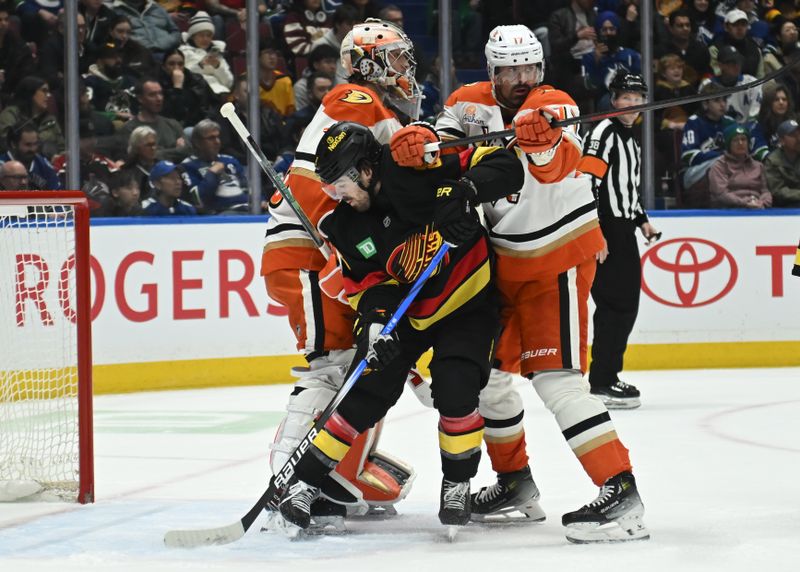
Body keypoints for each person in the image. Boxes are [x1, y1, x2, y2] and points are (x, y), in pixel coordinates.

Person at [391, 27, 650, 543]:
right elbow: (443, 151)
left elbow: (562, 164)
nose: (519, 80)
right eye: (508, 71)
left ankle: (620, 492)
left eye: (527, 69)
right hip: (496, 267)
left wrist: (544, 143)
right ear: (491, 72)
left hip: (552, 261)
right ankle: (515, 483)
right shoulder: (467, 105)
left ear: (540, 70)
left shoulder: (554, 103)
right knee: (487, 378)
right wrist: (420, 146)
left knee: (557, 381)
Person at [276, 120, 524, 532]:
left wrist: (464, 190)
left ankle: (457, 482)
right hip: (405, 315)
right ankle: (305, 482)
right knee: (364, 390)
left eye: (340, 183)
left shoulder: (416, 164)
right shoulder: (346, 226)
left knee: (456, 385)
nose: (336, 195)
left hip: (467, 303)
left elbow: (504, 164)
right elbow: (369, 287)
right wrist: (375, 326)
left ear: (366, 171)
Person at [261, 19, 426, 528]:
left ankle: (340, 464)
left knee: (364, 361)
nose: (405, 70)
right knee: (332, 365)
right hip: (308, 252)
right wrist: (345, 242)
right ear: (370, 64)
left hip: (327, 251)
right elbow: (312, 182)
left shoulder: (383, 114)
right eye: (395, 59)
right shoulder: (355, 99)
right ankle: (290, 475)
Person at [579, 72, 658, 409]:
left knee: (624, 305)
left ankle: (607, 376)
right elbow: (588, 184)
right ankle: (603, 380)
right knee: (616, 306)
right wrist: (595, 231)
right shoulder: (604, 132)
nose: (632, 103)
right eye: (625, 96)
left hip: (623, 228)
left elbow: (627, 189)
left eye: (637, 97)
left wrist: (642, 221)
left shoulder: (631, 139)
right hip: (606, 229)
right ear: (614, 100)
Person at [680, 82, 736, 207]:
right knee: (721, 162)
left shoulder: (730, 122)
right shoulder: (694, 122)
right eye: (717, 100)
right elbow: (688, 156)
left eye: (724, 100)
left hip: (726, 170)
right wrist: (719, 156)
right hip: (694, 172)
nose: (722, 104)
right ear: (705, 104)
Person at [180, 119, 248, 213]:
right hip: (222, 214)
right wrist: (212, 173)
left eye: (218, 137)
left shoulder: (230, 160)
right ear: (197, 142)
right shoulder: (187, 166)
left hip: (248, 209)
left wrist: (261, 201)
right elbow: (199, 200)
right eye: (211, 138)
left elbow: (247, 187)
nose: (217, 141)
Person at [581, 10, 642, 110]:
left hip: (632, 98)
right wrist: (596, 62)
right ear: (598, 32)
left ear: (617, 31)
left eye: (611, 29)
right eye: (604, 30)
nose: (608, 33)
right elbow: (589, 87)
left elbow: (640, 82)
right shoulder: (589, 57)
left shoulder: (631, 55)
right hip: (605, 102)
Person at [118, 78, 187, 162]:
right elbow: (140, 158)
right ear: (140, 98)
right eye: (152, 95)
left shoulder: (172, 123)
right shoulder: (130, 129)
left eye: (160, 93)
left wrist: (158, 152)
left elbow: (188, 150)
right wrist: (177, 150)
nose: (159, 98)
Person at [708, 123, 772, 208]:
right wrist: (745, 203)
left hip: (758, 208)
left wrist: (762, 203)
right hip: (730, 211)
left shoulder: (758, 165)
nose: (740, 143)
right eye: (735, 140)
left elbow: (765, 191)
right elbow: (721, 194)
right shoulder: (719, 166)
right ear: (728, 144)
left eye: (744, 139)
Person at [0, 76, 64, 158]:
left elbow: (62, 147)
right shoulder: (10, 114)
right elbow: (6, 142)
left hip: (48, 165)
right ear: (30, 92)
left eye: (48, 92)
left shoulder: (50, 120)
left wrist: (60, 157)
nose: (48, 96)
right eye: (44, 91)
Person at [178, 10, 234, 95]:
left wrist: (218, 67)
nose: (205, 39)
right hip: (197, 93)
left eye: (208, 35)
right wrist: (200, 65)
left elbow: (229, 83)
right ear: (193, 36)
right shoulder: (183, 52)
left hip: (220, 93)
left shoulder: (217, 53)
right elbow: (182, 78)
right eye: (201, 35)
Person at [0, 123, 60, 191]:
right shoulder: (2, 165)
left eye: (35, 144)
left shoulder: (43, 165)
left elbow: (57, 193)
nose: (33, 149)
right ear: (13, 144)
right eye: (28, 145)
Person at [109, 0, 181, 56]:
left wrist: (164, 44)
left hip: (170, 52)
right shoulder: (114, 11)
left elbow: (175, 31)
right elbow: (112, 39)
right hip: (138, 56)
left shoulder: (156, 8)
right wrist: (148, 47)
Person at [310, 3, 357, 85]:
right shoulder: (320, 45)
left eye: (356, 25)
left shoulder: (356, 45)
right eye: (349, 24)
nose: (354, 29)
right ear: (338, 25)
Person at [710, 8, 764, 78]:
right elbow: (717, 75)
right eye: (735, 24)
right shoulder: (715, 49)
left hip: (753, 87)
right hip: (726, 87)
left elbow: (760, 77)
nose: (740, 28)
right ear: (726, 27)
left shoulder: (755, 48)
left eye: (743, 24)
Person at [764, 118, 800, 207]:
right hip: (785, 204)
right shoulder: (773, 160)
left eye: (799, 134)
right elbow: (778, 190)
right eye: (793, 135)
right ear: (782, 141)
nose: (798, 138)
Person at [293, 43, 338, 110]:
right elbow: (301, 115)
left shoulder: (339, 82)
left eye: (334, 62)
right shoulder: (301, 87)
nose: (333, 66)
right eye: (328, 62)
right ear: (316, 65)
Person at [119, 125, 158, 199]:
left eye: (154, 144)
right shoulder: (128, 171)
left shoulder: (163, 166)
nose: (153, 148)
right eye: (149, 145)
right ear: (137, 147)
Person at [258, 46, 296, 116]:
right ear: (257, 56)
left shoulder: (284, 80)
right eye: (268, 53)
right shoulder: (246, 80)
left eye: (274, 53)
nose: (272, 57)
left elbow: (290, 109)